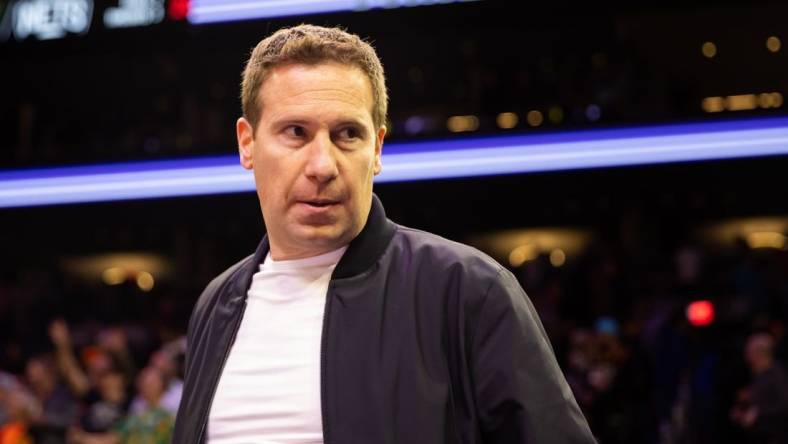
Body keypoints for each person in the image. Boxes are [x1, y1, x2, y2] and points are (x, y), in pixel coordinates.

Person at [173, 24, 595, 443]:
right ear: (247, 144)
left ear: (376, 149)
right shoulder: (217, 304)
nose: (323, 165)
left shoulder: (467, 289)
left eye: (347, 134)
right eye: (296, 133)